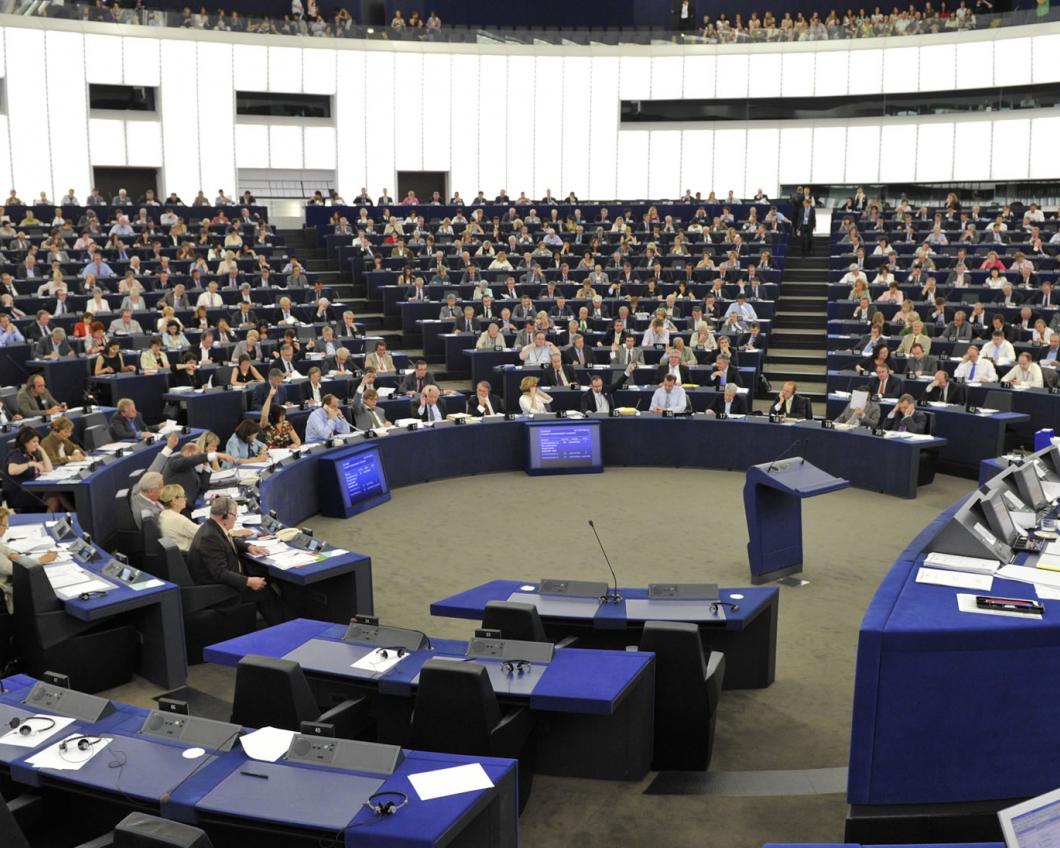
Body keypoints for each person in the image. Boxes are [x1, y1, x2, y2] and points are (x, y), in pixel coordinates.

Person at [186, 495, 287, 626]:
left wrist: (248, 547)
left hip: (224, 579)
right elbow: (220, 573)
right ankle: (283, 627)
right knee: (264, 591)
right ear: (224, 516)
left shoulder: (212, 527)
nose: (236, 518)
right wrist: (248, 581)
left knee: (262, 577)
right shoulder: (209, 538)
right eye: (234, 515)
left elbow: (227, 541)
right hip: (219, 591)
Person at [0, 506, 59, 613]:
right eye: (5, 525)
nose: (6, 528)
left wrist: (12, 553)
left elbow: (2, 548)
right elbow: (12, 569)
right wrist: (41, 560)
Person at [6, 426, 66, 511]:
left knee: (59, 493)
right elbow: (12, 470)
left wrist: (42, 450)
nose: (37, 444)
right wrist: (30, 464)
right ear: (25, 442)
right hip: (21, 495)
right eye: (34, 441)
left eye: (38, 442)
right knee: (55, 497)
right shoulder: (16, 453)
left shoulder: (31, 454)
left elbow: (49, 469)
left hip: (32, 491)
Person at [157, 485, 200, 552]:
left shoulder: (163, 514)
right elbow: (202, 533)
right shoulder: (177, 519)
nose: (185, 499)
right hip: (190, 553)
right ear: (174, 500)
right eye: (183, 496)